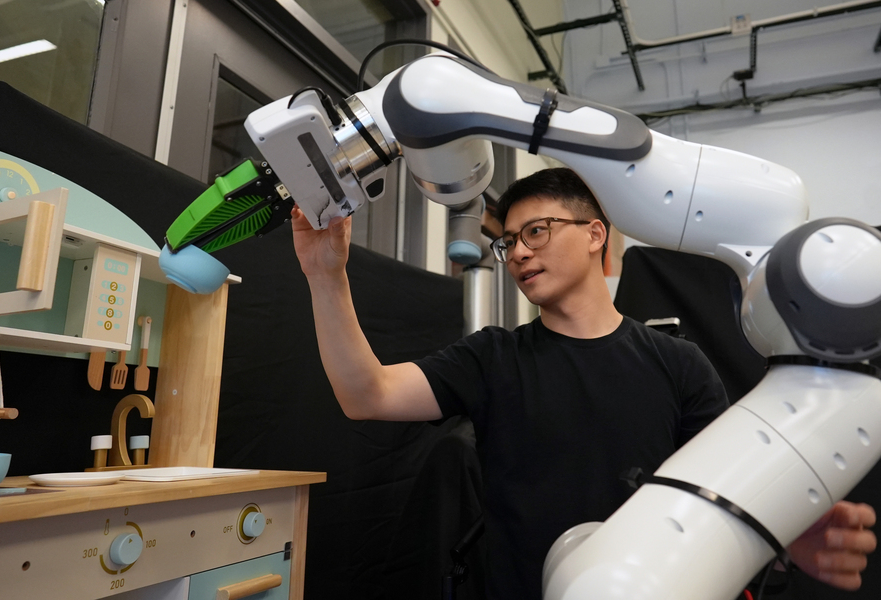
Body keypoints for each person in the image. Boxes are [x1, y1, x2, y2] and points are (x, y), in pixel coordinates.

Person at [290, 167, 876, 599]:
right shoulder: (493, 357)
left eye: (537, 232)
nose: (518, 253)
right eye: (509, 241)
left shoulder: (680, 364)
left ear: (595, 234)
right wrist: (325, 275)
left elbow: (727, 494)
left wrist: (778, 535)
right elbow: (367, 394)